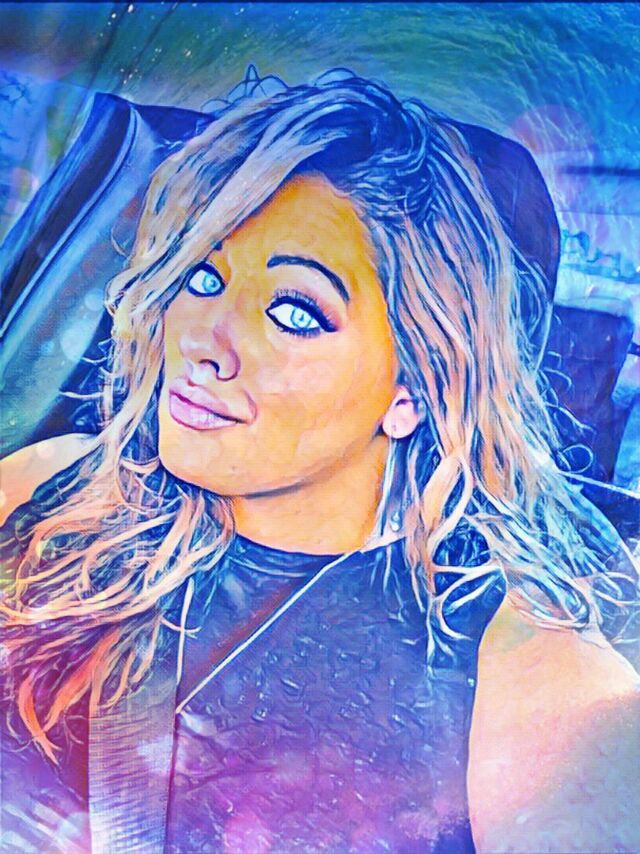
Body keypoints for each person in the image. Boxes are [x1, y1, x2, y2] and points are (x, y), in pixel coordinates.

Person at [1, 68, 638, 854]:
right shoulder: (61, 489)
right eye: (202, 276)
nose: (203, 339)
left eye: (294, 311)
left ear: (413, 390)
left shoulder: (518, 662)